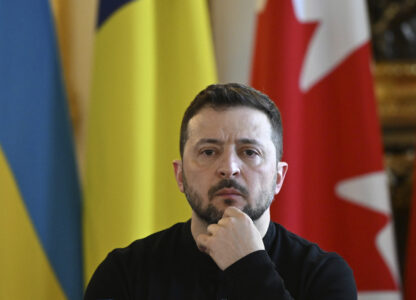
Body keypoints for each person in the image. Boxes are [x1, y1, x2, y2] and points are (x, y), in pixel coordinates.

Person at [84, 83, 357, 299]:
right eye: (208, 152)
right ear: (180, 175)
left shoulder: (323, 275)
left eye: (249, 152)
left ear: (278, 177)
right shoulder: (125, 274)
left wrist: (249, 266)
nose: (229, 168)